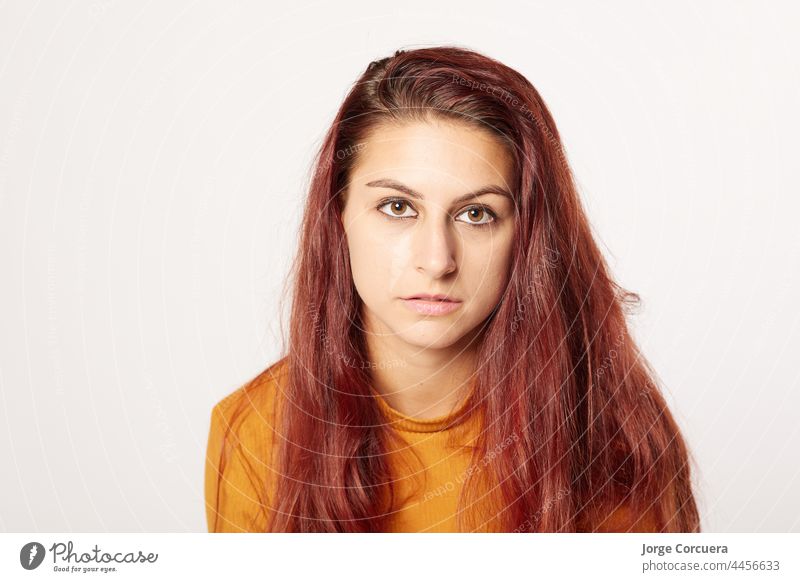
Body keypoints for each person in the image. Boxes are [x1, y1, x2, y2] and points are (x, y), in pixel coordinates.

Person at [204, 45, 701, 533]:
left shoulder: (610, 438)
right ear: (339, 216)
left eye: (476, 214)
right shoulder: (254, 430)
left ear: (525, 236)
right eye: (398, 207)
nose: (437, 260)